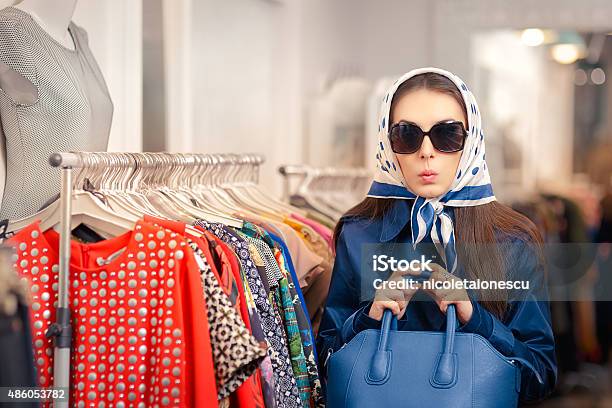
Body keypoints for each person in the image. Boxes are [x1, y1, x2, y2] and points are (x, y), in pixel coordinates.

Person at [316, 67, 557, 404]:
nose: (426, 152)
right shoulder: (358, 232)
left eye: (447, 135)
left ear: (471, 140)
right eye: (407, 135)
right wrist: (367, 319)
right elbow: (324, 365)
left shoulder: (511, 239)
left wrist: (476, 319)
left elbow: (540, 374)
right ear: (388, 144)